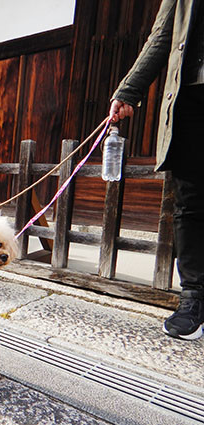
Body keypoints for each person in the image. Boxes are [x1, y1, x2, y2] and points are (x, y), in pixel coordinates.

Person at [110, 0, 204, 340]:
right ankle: (193, 296)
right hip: (193, 97)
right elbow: (162, 35)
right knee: (190, 199)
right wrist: (129, 91)